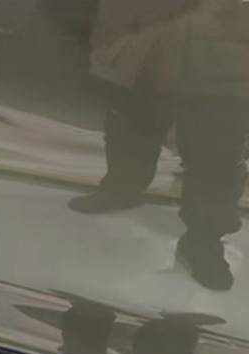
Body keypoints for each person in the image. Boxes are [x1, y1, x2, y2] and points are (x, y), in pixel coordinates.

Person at [68, 0, 249, 291]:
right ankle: (122, 189)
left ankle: (203, 240)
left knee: (217, 156)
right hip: (141, 39)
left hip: (225, 53)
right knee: (129, 128)